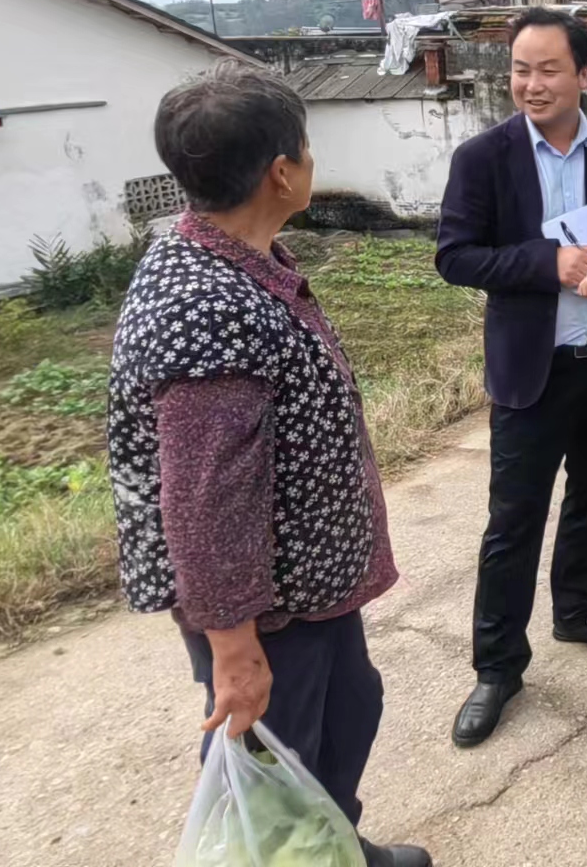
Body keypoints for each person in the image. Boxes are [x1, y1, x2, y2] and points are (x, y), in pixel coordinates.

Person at [107, 63, 429, 867]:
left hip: (308, 588)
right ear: (281, 171)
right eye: (307, 146)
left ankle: (342, 846)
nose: (312, 160)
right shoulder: (207, 305)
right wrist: (235, 651)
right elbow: (206, 500)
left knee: (343, 720)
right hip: (267, 612)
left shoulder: (236, 260)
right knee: (280, 773)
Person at [433, 8, 587, 746]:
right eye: (520, 69)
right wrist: (544, 263)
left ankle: (577, 610)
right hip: (531, 374)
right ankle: (497, 667)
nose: (531, 84)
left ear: (586, 75)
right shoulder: (483, 158)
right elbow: (455, 257)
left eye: (549, 68)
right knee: (513, 522)